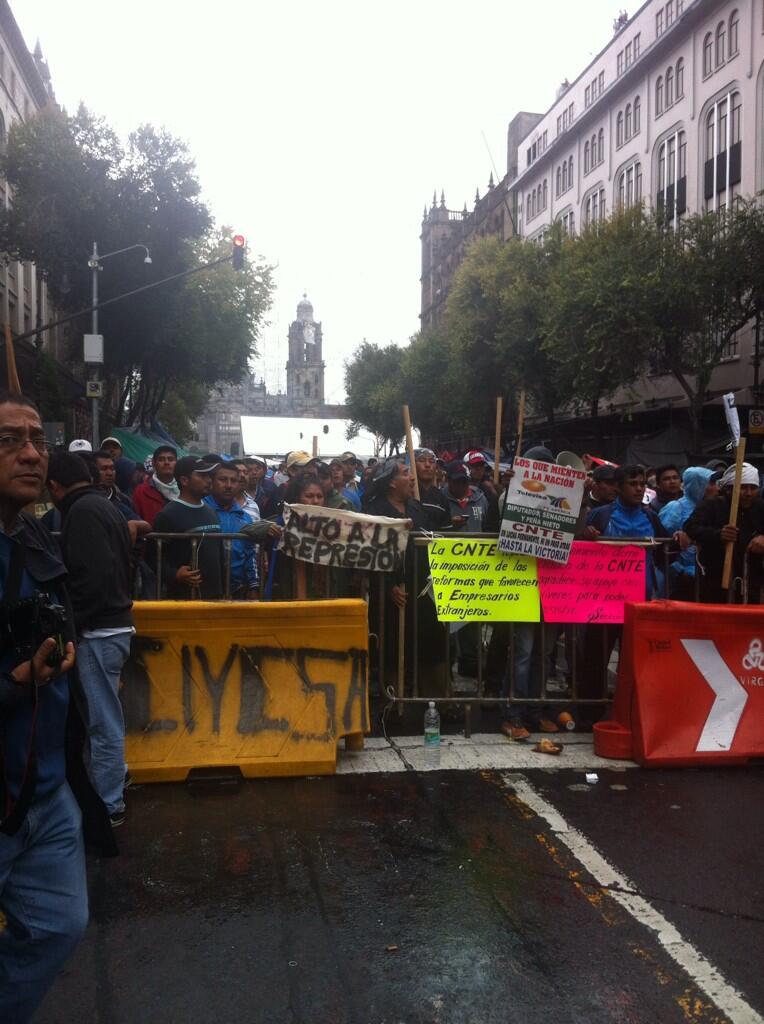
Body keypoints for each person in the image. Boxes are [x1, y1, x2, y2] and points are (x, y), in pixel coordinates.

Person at [0, 394, 118, 1022]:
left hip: (46, 796)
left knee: (58, 926)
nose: (29, 452)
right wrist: (18, 682)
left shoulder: (38, 537)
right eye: (9, 440)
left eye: (37, 440)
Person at [47, 453, 135, 829]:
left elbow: (92, 579)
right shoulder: (103, 506)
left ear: (54, 487)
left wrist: (71, 624)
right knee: (103, 715)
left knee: (102, 722)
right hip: (110, 627)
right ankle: (116, 780)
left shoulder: (82, 512)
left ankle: (109, 804)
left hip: (99, 630)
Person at [581, 464, 672, 725]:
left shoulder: (652, 517)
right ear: (619, 487)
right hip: (604, 603)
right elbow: (579, 548)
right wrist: (586, 535)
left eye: (642, 483)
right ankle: (590, 716)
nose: (639, 488)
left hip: (639, 603)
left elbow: (668, 551)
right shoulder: (600, 516)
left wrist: (679, 538)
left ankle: (630, 712)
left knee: (634, 661)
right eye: (633, 484)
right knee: (596, 659)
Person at [685, 462, 764, 603]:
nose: (748, 493)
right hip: (716, 579)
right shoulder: (712, 505)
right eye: (743, 488)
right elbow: (691, 527)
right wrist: (718, 534)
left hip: (752, 582)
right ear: (729, 489)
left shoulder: (760, 507)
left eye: (753, 488)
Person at [150, 457, 223, 599]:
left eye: (209, 475)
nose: (209, 480)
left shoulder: (211, 511)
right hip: (184, 598)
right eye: (202, 475)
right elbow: (151, 556)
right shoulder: (168, 514)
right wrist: (174, 574)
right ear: (184, 481)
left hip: (214, 597)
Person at [203, 462, 258, 599]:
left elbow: (250, 553)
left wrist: (253, 585)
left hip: (236, 591)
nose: (228, 485)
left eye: (233, 481)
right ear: (212, 482)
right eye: (223, 480)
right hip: (203, 591)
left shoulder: (244, 517)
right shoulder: (200, 510)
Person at [659, 466, 714, 600]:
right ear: (698, 484)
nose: (714, 487)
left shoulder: (709, 507)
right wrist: (679, 569)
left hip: (703, 574)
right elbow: (662, 544)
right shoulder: (676, 507)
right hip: (680, 578)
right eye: (709, 483)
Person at [131, 444, 179, 526]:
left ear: (177, 463)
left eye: (171, 459)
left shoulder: (185, 489)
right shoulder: (140, 491)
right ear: (154, 463)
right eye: (161, 459)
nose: (166, 462)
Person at [441, 461, 489, 532]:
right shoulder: (439, 499)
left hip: (476, 542)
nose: (461, 485)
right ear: (448, 480)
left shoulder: (481, 499)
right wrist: (449, 525)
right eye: (457, 481)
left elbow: (487, 527)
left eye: (464, 481)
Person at [413, 447, 451, 530]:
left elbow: (446, 532)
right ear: (413, 464)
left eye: (432, 461)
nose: (427, 465)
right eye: (422, 460)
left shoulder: (442, 499)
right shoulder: (407, 494)